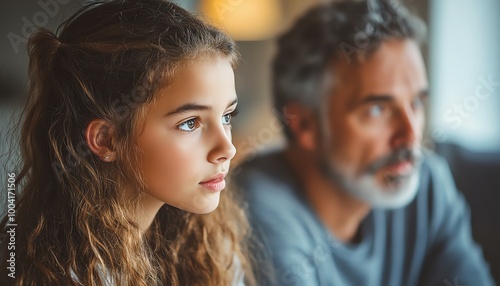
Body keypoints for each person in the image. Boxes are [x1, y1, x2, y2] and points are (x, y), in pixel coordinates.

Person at [235, 0, 495, 285]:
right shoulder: (254, 211)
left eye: (416, 102)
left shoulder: (427, 182)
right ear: (304, 123)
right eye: (377, 109)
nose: (410, 136)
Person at [0, 0, 256, 285]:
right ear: (106, 140)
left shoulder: (208, 248)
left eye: (227, 116)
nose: (227, 149)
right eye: (190, 123)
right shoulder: (42, 274)